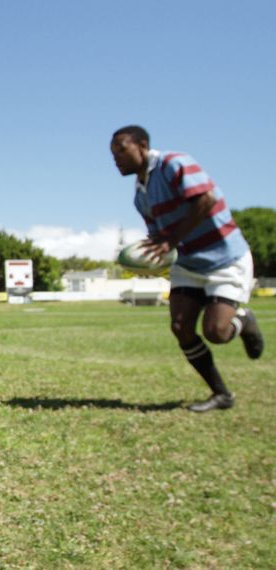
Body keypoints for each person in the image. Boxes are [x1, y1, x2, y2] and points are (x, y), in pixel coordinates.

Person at [110, 125, 264, 412]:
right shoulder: (140, 195)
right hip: (188, 263)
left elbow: (206, 200)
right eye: (112, 154)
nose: (116, 158)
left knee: (216, 332)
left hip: (224, 259)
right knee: (180, 327)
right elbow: (161, 238)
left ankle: (245, 320)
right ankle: (221, 394)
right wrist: (150, 256)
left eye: (121, 149)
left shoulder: (174, 163)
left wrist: (170, 239)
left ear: (142, 145)